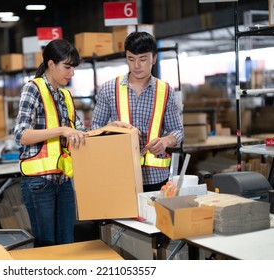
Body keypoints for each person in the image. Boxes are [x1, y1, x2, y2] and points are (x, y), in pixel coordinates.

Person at [13, 39, 87, 247]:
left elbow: (81, 132)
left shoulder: (65, 96)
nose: (71, 73)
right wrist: (61, 130)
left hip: (63, 182)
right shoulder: (32, 89)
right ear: (51, 64)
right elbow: (20, 134)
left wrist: (112, 128)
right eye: (67, 67)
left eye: (73, 68)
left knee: (66, 244)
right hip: (39, 183)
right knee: (47, 246)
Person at [91, 32, 184, 192]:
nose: (136, 66)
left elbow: (178, 130)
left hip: (156, 177)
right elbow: (93, 130)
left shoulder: (165, 90)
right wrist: (110, 128)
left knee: (153, 217)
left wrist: (166, 142)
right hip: (121, 174)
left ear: (154, 58)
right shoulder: (109, 89)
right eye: (131, 59)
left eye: (142, 59)